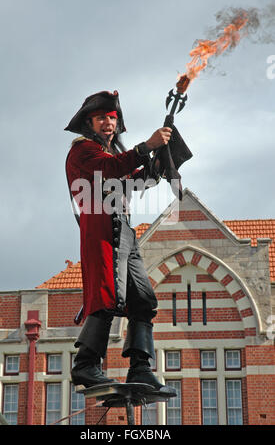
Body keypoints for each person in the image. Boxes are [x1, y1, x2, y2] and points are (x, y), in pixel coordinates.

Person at [65, 90, 176, 395]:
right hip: (100, 228)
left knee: (143, 300)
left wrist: (156, 166)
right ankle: (86, 366)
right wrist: (148, 146)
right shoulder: (83, 151)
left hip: (124, 230)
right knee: (106, 297)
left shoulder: (112, 156)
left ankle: (140, 369)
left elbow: (131, 180)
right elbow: (113, 170)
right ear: (90, 122)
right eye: (102, 117)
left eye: (112, 118)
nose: (108, 123)